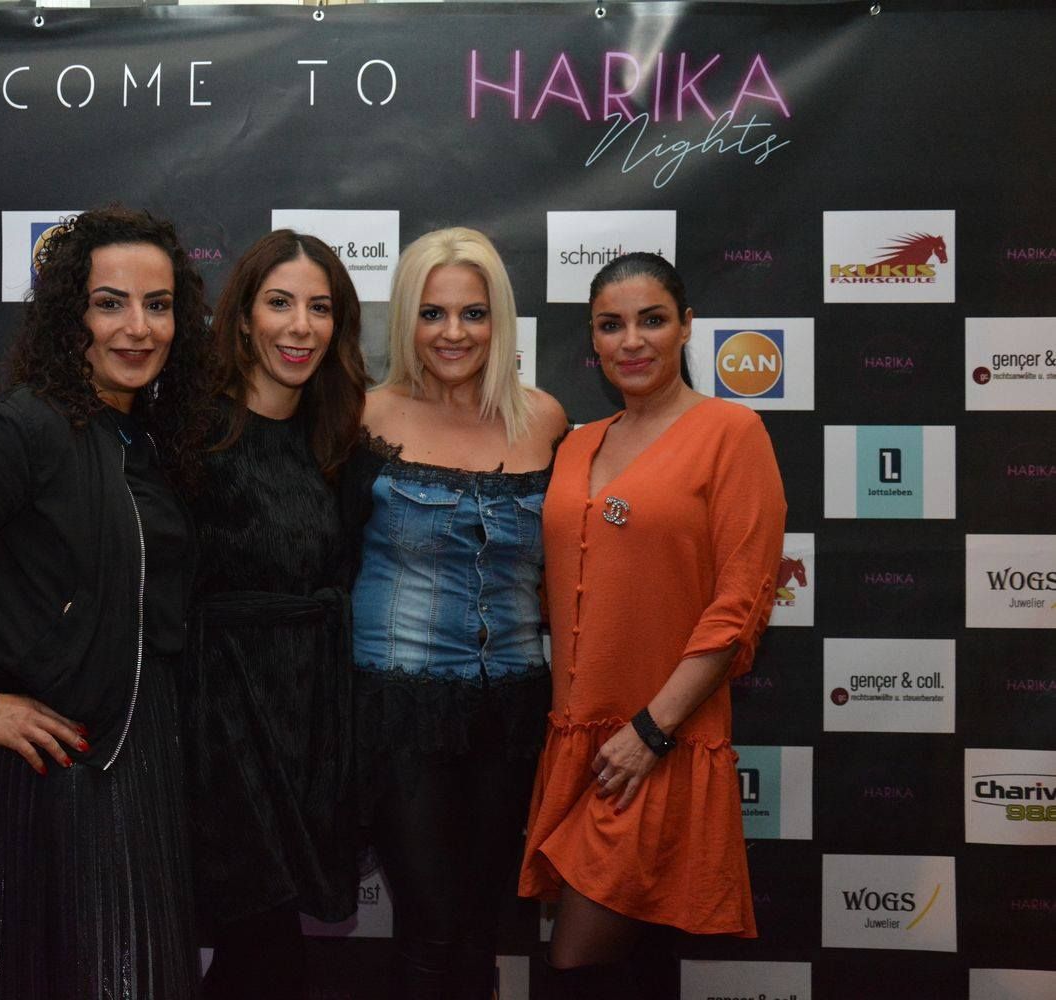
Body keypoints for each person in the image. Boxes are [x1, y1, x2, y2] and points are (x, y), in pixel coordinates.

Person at [0, 206, 214, 1000]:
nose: (138, 327)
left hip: (144, 750)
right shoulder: (29, 424)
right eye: (109, 303)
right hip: (62, 770)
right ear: (69, 316)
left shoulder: (146, 436)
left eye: (158, 305)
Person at [519, 252, 787, 997]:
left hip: (657, 745)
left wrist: (651, 731)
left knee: (577, 963)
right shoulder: (577, 443)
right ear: (593, 340)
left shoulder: (732, 432)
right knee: (630, 965)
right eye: (611, 325)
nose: (631, 341)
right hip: (578, 741)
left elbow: (740, 605)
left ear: (687, 327)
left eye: (652, 320)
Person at [345, 227, 568, 999]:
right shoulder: (364, 416)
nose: (453, 333)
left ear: (498, 318)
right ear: (406, 319)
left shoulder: (545, 419)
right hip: (398, 706)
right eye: (432, 313)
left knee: (480, 926)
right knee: (431, 926)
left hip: (513, 708)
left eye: (473, 314)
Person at [181, 229, 367, 998]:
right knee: (263, 947)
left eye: (320, 308)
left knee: (257, 953)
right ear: (243, 316)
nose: (301, 326)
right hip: (218, 724)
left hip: (310, 721)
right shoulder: (193, 432)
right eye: (280, 303)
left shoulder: (338, 436)